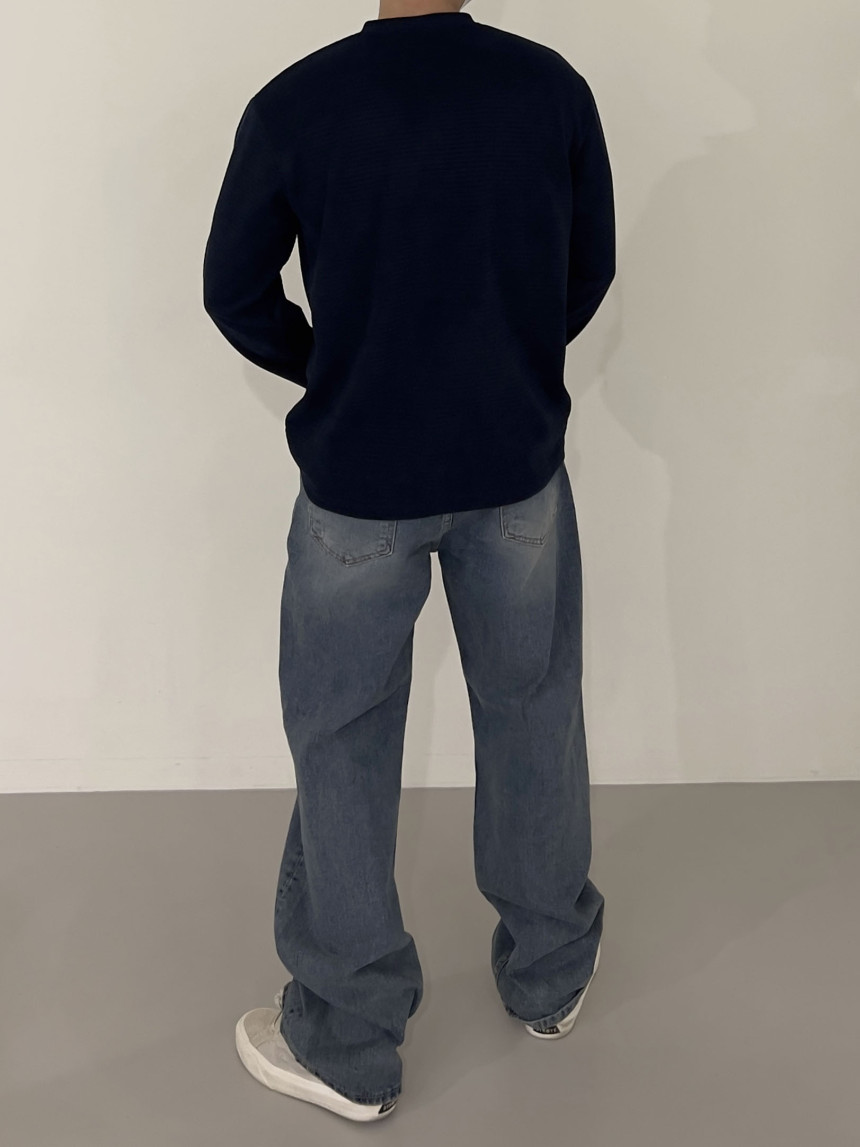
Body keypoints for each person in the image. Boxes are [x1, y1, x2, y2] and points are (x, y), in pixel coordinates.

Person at [203, 0, 615, 1122]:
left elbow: (233, 291)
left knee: (343, 740)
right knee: (533, 709)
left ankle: (346, 1039)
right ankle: (549, 973)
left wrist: (338, 366)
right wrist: (500, 363)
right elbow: (585, 270)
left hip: (359, 487)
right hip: (513, 469)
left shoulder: (296, 105)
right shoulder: (548, 90)